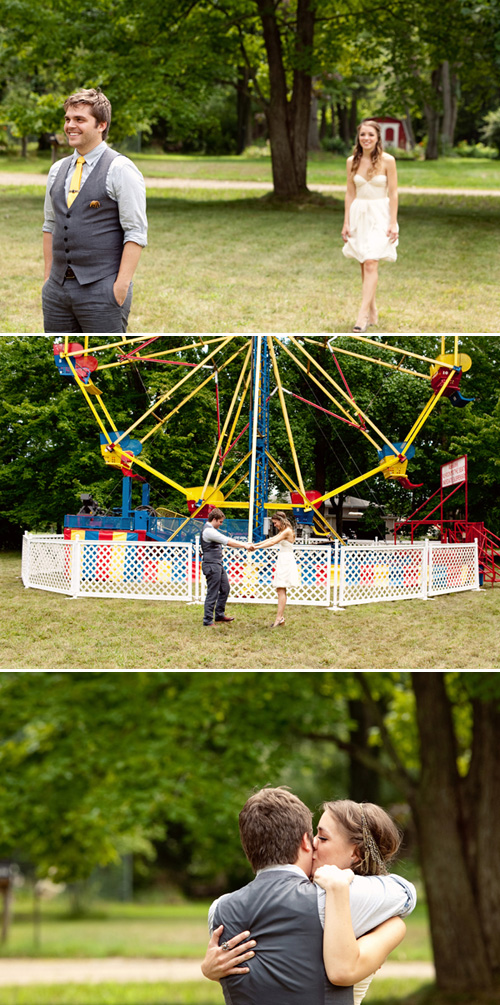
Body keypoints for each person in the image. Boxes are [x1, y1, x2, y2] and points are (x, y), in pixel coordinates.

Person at [202, 787, 416, 1005]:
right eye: (315, 836)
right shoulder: (331, 897)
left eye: (322, 837)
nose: (315, 843)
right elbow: (406, 893)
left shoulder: (219, 909)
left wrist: (209, 971)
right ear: (305, 841)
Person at [42, 88, 148, 334]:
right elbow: (50, 225)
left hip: (102, 290)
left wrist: (120, 286)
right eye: (68, 119)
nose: (70, 125)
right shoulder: (57, 170)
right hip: (57, 291)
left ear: (101, 124)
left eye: (80, 119)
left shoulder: (120, 168)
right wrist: (48, 280)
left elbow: (136, 232)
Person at [341, 119, 398, 333]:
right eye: (363, 134)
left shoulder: (388, 161)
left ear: (377, 138)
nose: (366, 138)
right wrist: (346, 221)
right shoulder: (351, 162)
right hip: (358, 215)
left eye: (370, 135)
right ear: (358, 137)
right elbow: (349, 192)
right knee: (364, 263)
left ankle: (362, 315)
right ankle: (372, 309)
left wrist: (393, 222)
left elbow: (393, 192)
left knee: (372, 262)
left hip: (380, 214)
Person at [248, 511, 299, 628]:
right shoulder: (284, 531)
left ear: (280, 521)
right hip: (283, 560)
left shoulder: (286, 531)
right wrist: (255, 545)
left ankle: (279, 618)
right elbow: (268, 540)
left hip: (286, 561)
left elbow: (272, 542)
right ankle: (280, 618)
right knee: (280, 590)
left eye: (275, 523)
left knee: (281, 590)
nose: (274, 525)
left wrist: (255, 548)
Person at [201, 508, 249, 627]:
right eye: (220, 522)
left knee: (225, 588)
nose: (221, 524)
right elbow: (227, 541)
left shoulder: (211, 530)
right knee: (212, 593)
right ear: (215, 519)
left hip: (217, 564)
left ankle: (219, 615)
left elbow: (226, 540)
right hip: (212, 565)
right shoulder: (209, 531)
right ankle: (207, 620)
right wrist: (245, 545)